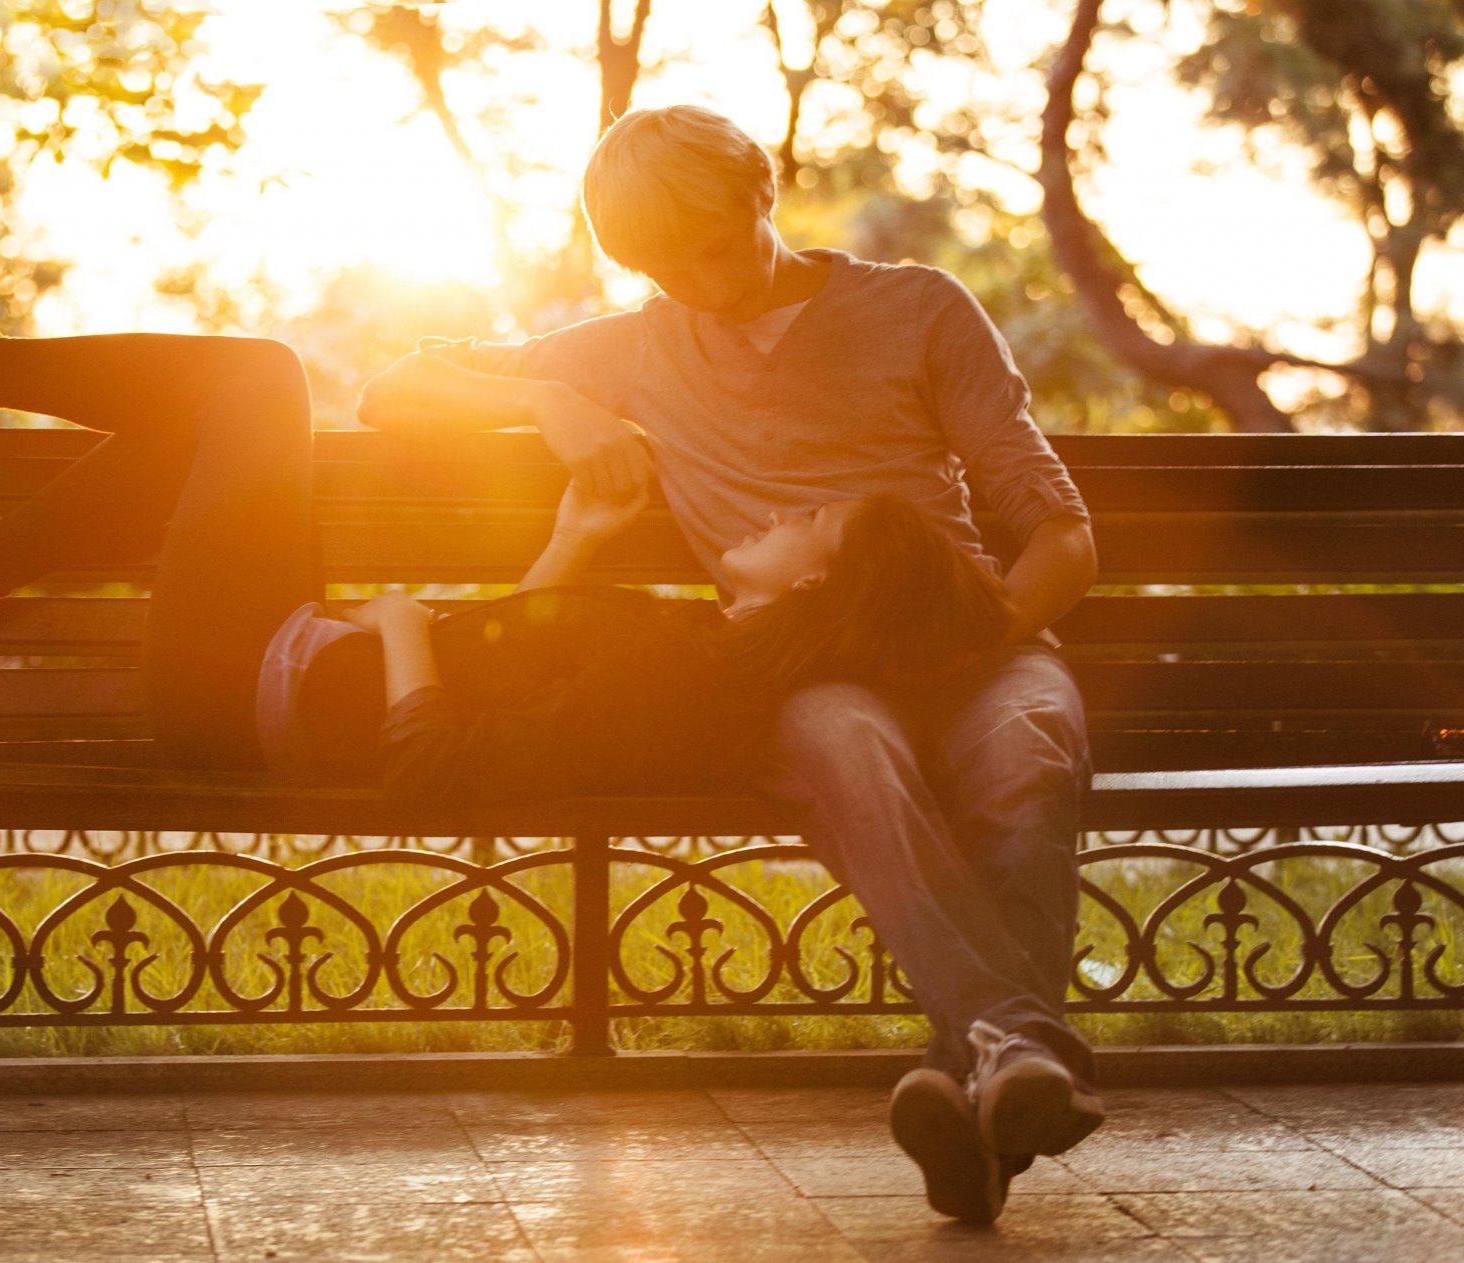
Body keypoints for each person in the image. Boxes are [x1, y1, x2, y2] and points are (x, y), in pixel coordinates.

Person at [357, 103, 1102, 1224]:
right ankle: (1017, 1058)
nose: (698, 285)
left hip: (980, 642)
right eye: (662, 267)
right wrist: (548, 398)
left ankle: (985, 1091)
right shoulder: (630, 345)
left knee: (1024, 752)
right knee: (847, 740)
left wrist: (970, 637)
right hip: (799, 671)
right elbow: (393, 388)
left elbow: (1064, 536)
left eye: (710, 246)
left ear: (764, 189)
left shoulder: (917, 309)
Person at [0, 234, 1018, 807]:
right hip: (288, 655)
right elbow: (525, 668)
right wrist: (578, 542)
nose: (788, 512)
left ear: (813, 588)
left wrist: (413, 646)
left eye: (813, 523)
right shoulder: (698, 657)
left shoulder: (685, 684)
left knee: (258, 382)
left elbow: (451, 776)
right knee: (217, 419)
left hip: (240, 693)